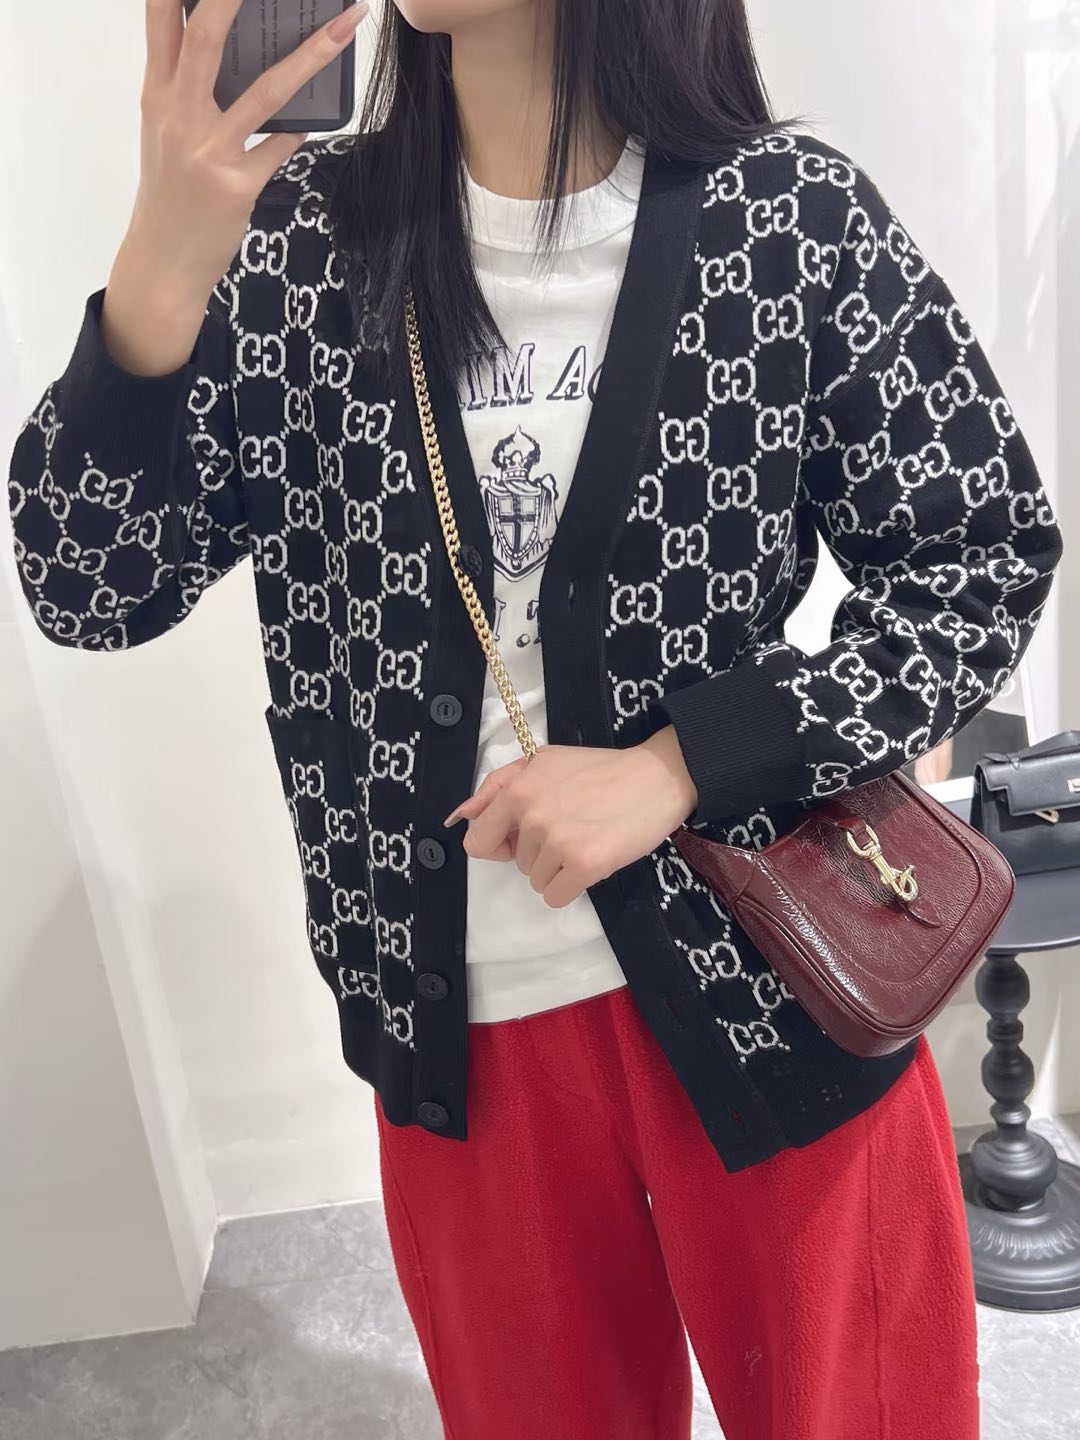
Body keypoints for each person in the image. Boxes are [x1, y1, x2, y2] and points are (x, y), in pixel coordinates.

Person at [6, 2, 1065, 1437]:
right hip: (463, 1039)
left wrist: (683, 764)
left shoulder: (783, 219)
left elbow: (980, 555)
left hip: (774, 992)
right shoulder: (302, 246)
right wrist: (163, 260)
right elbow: (87, 587)